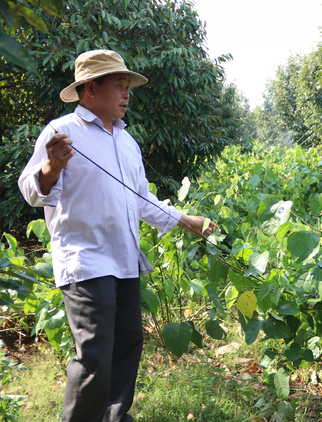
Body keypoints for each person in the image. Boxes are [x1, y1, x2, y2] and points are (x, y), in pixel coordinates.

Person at [18, 50, 217, 422]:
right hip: (85, 259)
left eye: (128, 87)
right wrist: (51, 166)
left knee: (128, 345)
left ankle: (114, 418)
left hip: (124, 259)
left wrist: (187, 220)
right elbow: (31, 190)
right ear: (90, 88)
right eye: (120, 86)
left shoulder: (127, 142)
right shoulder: (62, 132)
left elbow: (142, 200)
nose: (127, 95)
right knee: (94, 352)